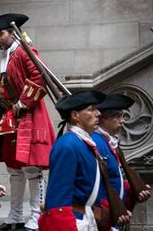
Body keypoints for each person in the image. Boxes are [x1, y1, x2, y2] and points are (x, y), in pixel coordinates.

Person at [0, 13, 55, 231]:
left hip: (29, 117)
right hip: (11, 118)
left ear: (12, 33)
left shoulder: (25, 51)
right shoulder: (9, 54)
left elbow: (41, 77)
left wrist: (23, 103)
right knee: (14, 169)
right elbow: (8, 83)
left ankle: (35, 218)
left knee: (32, 170)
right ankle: (14, 217)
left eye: (1, 33)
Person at [38, 90, 132, 231]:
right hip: (74, 222)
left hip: (87, 218)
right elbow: (58, 201)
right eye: (91, 109)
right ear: (75, 115)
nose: (98, 113)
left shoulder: (82, 142)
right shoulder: (68, 145)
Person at [92, 94, 151, 230]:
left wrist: (134, 189)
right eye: (117, 116)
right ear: (103, 118)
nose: (122, 121)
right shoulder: (97, 142)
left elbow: (114, 179)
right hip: (104, 217)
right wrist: (110, 212)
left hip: (114, 215)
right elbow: (98, 183)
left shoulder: (108, 141)